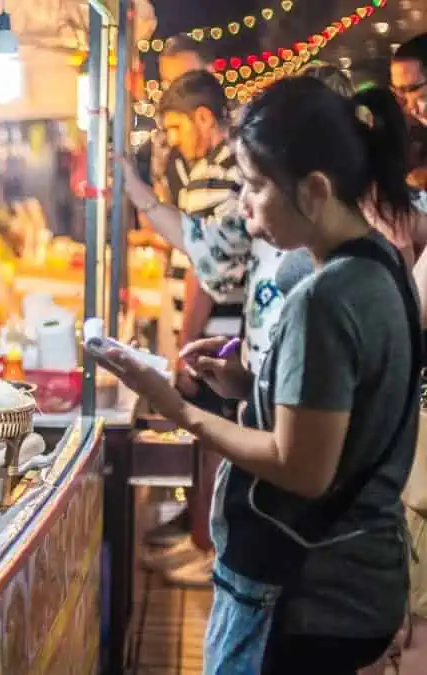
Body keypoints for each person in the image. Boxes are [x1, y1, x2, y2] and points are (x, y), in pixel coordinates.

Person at [103, 76, 420, 674]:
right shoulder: (383, 265)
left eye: (254, 186)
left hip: (307, 592)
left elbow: (300, 468)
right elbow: (345, 420)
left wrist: (181, 411)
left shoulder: (322, 299)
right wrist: (248, 387)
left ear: (315, 190)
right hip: (359, 582)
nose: (242, 206)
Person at [128, 70, 275, 588]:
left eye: (175, 126)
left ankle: (210, 548)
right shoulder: (211, 170)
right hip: (228, 334)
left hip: (219, 331)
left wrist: (185, 346)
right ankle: (207, 544)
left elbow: (204, 265)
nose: (250, 212)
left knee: (212, 441)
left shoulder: (217, 172)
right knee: (211, 440)